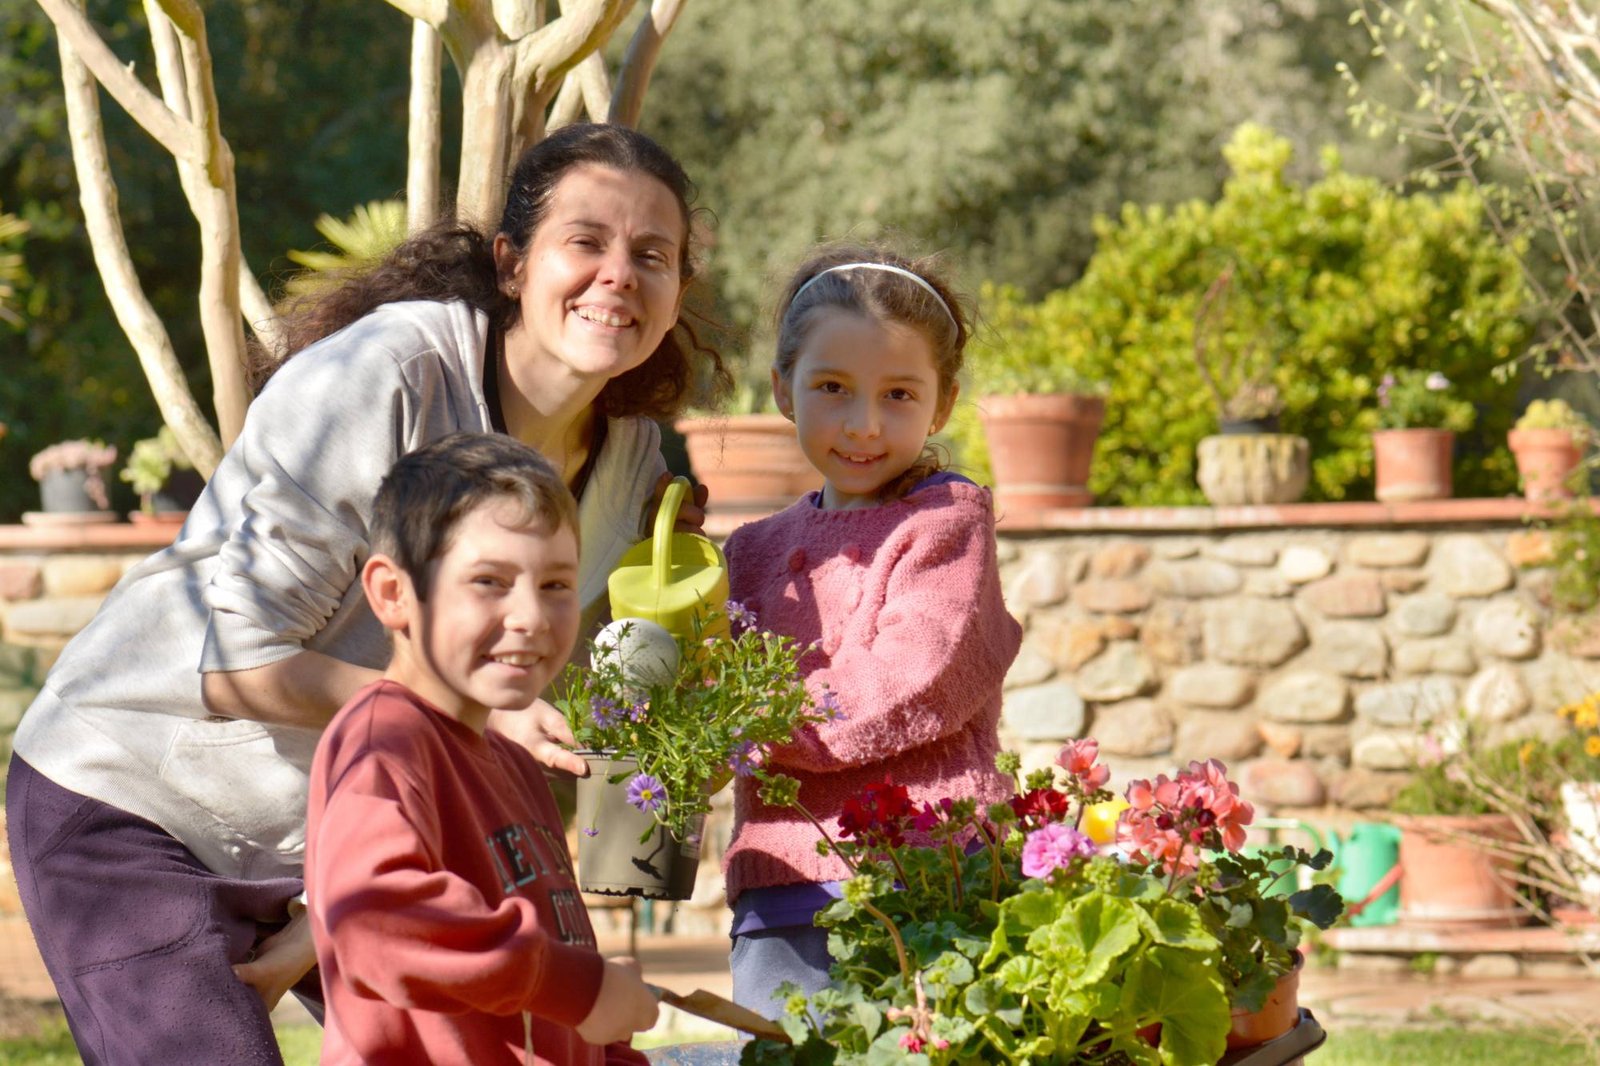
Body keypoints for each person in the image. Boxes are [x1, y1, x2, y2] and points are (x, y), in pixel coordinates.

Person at [4, 122, 723, 1064]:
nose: (619, 274)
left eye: (652, 255)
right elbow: (237, 666)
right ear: (511, 262)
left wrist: (330, 914)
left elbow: (550, 687)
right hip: (135, 795)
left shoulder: (631, 461)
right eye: (586, 242)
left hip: (338, 835)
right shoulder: (386, 374)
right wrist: (470, 716)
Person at [720, 244, 1024, 1016]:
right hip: (781, 887)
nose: (864, 424)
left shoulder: (947, 523)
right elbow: (698, 682)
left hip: (923, 883)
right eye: (832, 388)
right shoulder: (750, 551)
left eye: (898, 394)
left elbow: (909, 678)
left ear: (943, 403)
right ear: (782, 389)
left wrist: (746, 721)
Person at [307, 433, 657, 1065]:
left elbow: (557, 969)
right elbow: (376, 919)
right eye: (490, 581)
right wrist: (580, 988)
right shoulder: (383, 742)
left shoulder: (517, 768)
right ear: (392, 594)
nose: (530, 615)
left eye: (556, 584)